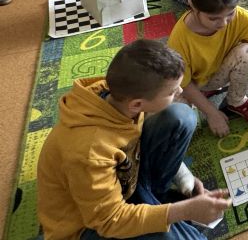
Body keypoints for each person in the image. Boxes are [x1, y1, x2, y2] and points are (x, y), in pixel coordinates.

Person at [37, 40, 230, 240]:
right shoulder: (90, 152)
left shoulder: (119, 96)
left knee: (181, 116)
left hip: (124, 180)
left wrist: (183, 178)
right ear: (137, 105)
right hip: (90, 225)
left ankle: (153, 198)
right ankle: (151, 205)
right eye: (172, 91)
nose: (181, 91)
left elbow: (134, 144)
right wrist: (183, 211)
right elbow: (110, 221)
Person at [167, 0, 248, 137]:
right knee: (175, 120)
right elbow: (184, 83)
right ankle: (203, 95)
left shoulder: (244, 18)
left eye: (230, 14)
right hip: (191, 84)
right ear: (193, 6)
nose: (223, 23)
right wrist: (211, 113)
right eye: (213, 18)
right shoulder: (179, 39)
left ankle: (235, 101)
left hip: (219, 74)